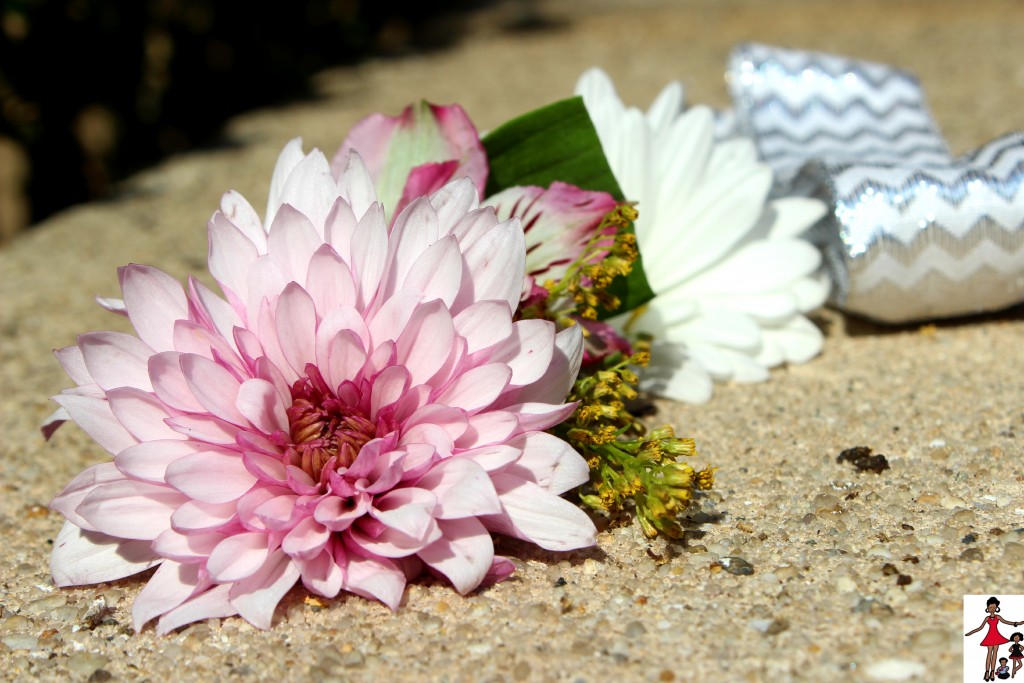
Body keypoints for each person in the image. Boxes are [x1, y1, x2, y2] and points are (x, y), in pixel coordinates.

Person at [966, 597, 1023, 681]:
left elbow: (1006, 622)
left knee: (995, 654)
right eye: (990, 607)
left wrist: (1016, 623)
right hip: (990, 636)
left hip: (996, 636)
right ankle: (986, 672)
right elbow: (980, 628)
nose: (992, 609)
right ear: (987, 608)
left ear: (996, 608)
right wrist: (970, 632)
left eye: (993, 607)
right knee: (989, 654)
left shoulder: (998, 617)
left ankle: (992, 672)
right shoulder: (987, 618)